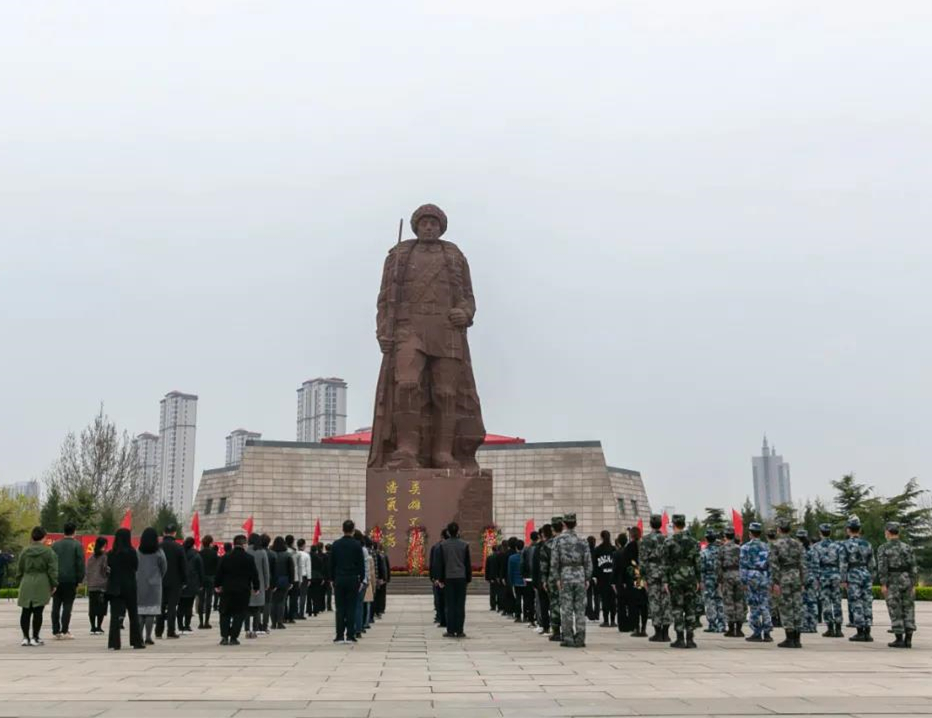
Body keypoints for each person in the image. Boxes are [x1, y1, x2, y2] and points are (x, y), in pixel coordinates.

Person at [550, 512, 592, 648]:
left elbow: (554, 561)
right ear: (576, 523)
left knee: (566, 609)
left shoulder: (558, 540)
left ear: (564, 524)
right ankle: (580, 638)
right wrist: (587, 577)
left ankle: (568, 637)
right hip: (580, 575)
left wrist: (556, 578)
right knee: (580, 609)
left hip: (565, 575)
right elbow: (588, 561)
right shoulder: (582, 540)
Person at [662, 514, 701, 649]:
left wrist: (665, 581)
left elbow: (665, 563)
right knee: (690, 607)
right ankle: (690, 639)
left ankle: (679, 638)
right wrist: (698, 579)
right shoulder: (693, 542)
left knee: (677, 608)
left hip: (675, 578)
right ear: (684, 524)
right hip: (690, 577)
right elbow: (697, 562)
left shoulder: (668, 542)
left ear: (673, 525)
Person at [876, 522, 917, 648]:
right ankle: (908, 639)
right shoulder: (907, 547)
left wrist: (883, 584)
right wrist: (913, 583)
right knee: (908, 607)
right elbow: (913, 566)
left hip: (892, 580)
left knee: (895, 608)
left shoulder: (883, 548)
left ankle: (899, 638)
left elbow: (882, 567)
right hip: (906, 579)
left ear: (888, 532)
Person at [215, 534, 260, 645]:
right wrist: (256, 587)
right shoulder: (249, 558)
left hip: (227, 589)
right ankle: (234, 638)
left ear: (234, 544)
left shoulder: (225, 557)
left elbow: (219, 573)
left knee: (225, 613)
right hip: (243, 590)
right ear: (244, 544)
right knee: (239, 614)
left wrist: (217, 585)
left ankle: (224, 637)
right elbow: (254, 574)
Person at [17, 526, 58, 647]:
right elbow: (52, 570)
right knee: (38, 611)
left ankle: (25, 637)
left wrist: (20, 580)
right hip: (42, 581)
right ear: (44, 537)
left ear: (32, 537)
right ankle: (35, 637)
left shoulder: (25, 551)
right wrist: (54, 584)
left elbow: (19, 569)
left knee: (25, 610)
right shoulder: (48, 552)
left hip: (27, 581)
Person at [105, 528, 144, 650]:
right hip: (129, 585)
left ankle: (114, 642)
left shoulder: (111, 553)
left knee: (115, 616)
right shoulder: (132, 552)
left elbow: (108, 569)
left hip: (115, 586)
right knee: (133, 614)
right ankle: (136, 641)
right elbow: (136, 567)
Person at [771, 518, 806, 648]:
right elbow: (803, 564)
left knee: (786, 607)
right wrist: (803, 581)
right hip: (796, 576)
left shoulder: (776, 545)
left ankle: (789, 637)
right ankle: (797, 638)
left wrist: (775, 582)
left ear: (779, 530)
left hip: (784, 577)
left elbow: (774, 565)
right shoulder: (798, 544)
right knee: (797, 606)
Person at [330, 520, 365, 644]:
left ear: (342, 529)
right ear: (353, 530)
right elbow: (361, 564)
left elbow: (332, 563)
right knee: (351, 607)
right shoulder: (357, 545)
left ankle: (339, 635)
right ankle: (350, 635)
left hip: (339, 578)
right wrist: (361, 579)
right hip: (352, 579)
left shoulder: (336, 544)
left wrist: (332, 579)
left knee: (340, 608)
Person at [435, 521, 472, 638]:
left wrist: (440, 579)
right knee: (460, 605)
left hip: (448, 578)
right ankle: (460, 630)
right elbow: (467, 563)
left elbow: (441, 564)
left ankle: (450, 630)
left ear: (448, 532)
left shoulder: (443, 545)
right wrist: (468, 579)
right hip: (461, 578)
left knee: (450, 605)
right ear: (458, 531)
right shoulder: (464, 545)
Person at [841, 515, 875, 642]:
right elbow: (872, 563)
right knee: (867, 602)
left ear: (848, 529)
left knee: (856, 602)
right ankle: (868, 632)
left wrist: (843, 579)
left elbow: (843, 563)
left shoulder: (845, 545)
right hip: (866, 573)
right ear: (859, 529)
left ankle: (860, 631)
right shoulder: (867, 544)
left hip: (853, 574)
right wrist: (871, 576)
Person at [51, 521, 85, 640]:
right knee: (67, 605)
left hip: (56, 579)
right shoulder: (77, 545)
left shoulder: (55, 545)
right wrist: (80, 579)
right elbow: (80, 563)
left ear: (63, 531)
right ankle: (65, 630)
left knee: (56, 605)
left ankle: (56, 630)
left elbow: (51, 563)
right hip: (71, 579)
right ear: (74, 531)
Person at [641, 514, 672, 643]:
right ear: (661, 524)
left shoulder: (646, 540)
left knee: (654, 602)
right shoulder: (667, 539)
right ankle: (666, 633)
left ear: (650, 524)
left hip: (652, 573)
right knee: (666, 602)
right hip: (665, 573)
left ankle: (658, 633)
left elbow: (642, 560)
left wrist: (643, 577)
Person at [740, 522, 773, 643]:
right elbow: (771, 565)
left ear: (750, 533)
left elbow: (743, 566)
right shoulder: (767, 547)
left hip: (751, 576)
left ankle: (757, 632)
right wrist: (771, 579)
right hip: (764, 576)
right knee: (764, 604)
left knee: (753, 604)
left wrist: (743, 581)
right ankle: (767, 632)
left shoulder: (745, 547)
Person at [812, 523, 844, 637]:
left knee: (826, 601)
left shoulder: (816, 547)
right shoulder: (838, 546)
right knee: (837, 601)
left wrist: (816, 578)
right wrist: (842, 577)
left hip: (823, 575)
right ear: (830, 533)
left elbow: (815, 563)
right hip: (836, 574)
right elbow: (842, 562)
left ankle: (830, 627)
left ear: (820, 533)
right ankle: (839, 628)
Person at [136, 527, 167, 646]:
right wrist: (158, 577)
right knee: (151, 612)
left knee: (140, 611)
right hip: (155, 585)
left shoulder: (138, 551)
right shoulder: (159, 552)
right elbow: (164, 567)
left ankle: (139, 636)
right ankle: (148, 636)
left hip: (140, 583)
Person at [156, 524, 186, 639]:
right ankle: (171, 631)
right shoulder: (179, 547)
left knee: (160, 606)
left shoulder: (158, 547)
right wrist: (184, 580)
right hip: (175, 581)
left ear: (164, 533)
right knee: (172, 607)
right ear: (174, 533)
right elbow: (183, 566)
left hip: (160, 580)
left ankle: (158, 631)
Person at [718, 527, 746, 637]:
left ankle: (730, 628)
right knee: (739, 601)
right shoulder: (739, 548)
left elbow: (718, 565)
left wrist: (719, 580)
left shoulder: (722, 548)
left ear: (725, 536)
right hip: (739, 575)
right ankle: (739, 629)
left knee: (728, 602)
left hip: (727, 575)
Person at [621, 527, 648, 636]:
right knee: (644, 604)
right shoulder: (644, 546)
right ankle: (644, 628)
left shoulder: (629, 547)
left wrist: (624, 580)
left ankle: (636, 628)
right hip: (643, 578)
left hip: (633, 579)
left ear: (631, 535)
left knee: (634, 604)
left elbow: (625, 565)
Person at [541, 516, 564, 642]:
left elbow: (544, 565)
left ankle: (556, 631)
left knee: (554, 605)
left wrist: (544, 580)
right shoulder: (569, 542)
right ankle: (568, 630)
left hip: (553, 578)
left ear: (552, 528)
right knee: (567, 604)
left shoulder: (548, 545)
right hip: (568, 577)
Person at [700, 530, 724, 633]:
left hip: (708, 578)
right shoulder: (721, 550)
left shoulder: (704, 552)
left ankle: (713, 624)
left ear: (706, 539)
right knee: (720, 600)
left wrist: (701, 581)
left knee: (710, 601)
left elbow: (702, 568)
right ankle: (721, 624)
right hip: (720, 578)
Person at [178, 536, 204, 633]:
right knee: (189, 605)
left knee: (180, 605)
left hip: (180, 583)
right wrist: (201, 583)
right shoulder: (196, 555)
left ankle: (180, 625)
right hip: (192, 583)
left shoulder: (180, 553)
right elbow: (201, 570)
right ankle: (187, 625)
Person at [246, 532, 270, 638]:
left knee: (247, 607)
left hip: (246, 582)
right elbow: (266, 570)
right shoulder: (262, 552)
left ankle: (247, 629)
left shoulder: (246, 551)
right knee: (257, 608)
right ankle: (255, 629)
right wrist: (267, 583)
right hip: (259, 582)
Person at [269, 536, 295, 630]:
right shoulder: (287, 555)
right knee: (281, 602)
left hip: (272, 581)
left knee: (272, 602)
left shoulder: (271, 554)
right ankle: (280, 622)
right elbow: (291, 569)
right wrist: (291, 581)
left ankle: (273, 623)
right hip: (284, 580)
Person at [86, 536, 109, 635]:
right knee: (101, 607)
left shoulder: (91, 557)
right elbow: (105, 570)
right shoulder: (104, 557)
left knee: (92, 607)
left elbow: (87, 571)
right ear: (104, 545)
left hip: (92, 585)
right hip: (101, 585)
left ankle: (92, 627)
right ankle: (99, 627)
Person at [797, 530, 819, 634]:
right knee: (813, 602)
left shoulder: (798, 550)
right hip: (813, 577)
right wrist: (817, 578)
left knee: (803, 602)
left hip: (803, 578)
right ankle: (813, 625)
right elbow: (817, 564)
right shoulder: (813, 550)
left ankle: (805, 624)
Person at [531, 525, 551, 635]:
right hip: (556, 580)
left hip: (542, 580)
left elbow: (535, 566)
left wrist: (535, 582)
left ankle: (546, 627)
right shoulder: (556, 544)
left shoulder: (539, 548)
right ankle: (557, 627)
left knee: (543, 605)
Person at [594, 530, 616, 628]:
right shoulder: (614, 549)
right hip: (612, 578)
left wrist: (595, 576)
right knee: (613, 600)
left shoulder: (598, 550)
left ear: (601, 537)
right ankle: (613, 620)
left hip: (602, 578)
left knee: (604, 600)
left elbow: (595, 565)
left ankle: (606, 620)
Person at [429, 529, 450, 627]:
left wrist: (434, 578)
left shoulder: (436, 547)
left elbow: (433, 564)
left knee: (439, 599)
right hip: (450, 578)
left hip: (439, 578)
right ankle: (446, 618)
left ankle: (440, 618)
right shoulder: (454, 546)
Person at [198, 535, 218, 629]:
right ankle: (207, 621)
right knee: (209, 600)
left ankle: (201, 622)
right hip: (211, 578)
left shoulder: (199, 553)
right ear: (210, 543)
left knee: (201, 600)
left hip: (201, 578)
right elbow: (217, 567)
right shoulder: (214, 554)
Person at [508, 539, 526, 623]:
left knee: (518, 599)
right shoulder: (526, 556)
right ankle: (526, 616)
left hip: (516, 581)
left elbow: (510, 571)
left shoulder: (512, 558)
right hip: (525, 581)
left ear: (516, 547)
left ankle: (518, 616)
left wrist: (511, 582)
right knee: (526, 599)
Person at [296, 538, 311, 620]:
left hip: (296, 576)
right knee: (303, 596)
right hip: (304, 576)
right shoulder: (306, 555)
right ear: (304, 545)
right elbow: (308, 568)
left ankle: (294, 612)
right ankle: (301, 613)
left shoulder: (295, 553)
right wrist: (309, 578)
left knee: (294, 596)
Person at [309, 543, 326, 616]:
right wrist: (322, 578)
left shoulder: (308, 556)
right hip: (317, 577)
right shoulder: (319, 558)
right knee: (316, 594)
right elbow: (322, 568)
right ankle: (315, 610)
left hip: (309, 576)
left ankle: (309, 610)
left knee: (309, 594)